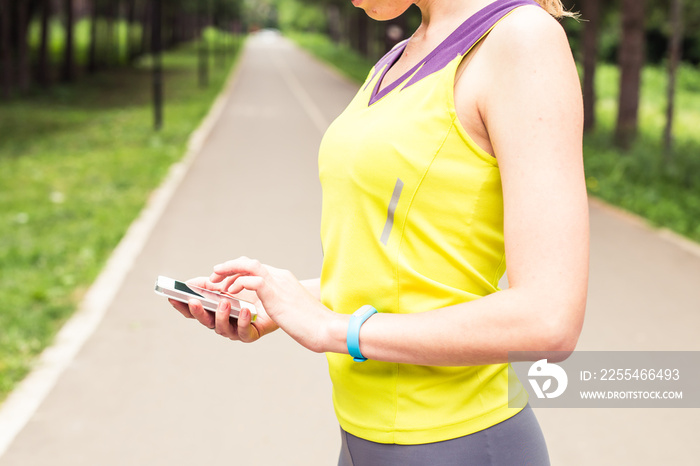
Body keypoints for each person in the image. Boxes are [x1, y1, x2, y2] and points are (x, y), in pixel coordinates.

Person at [169, 0, 588, 464]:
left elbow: (549, 320)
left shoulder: (522, 40)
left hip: (459, 441)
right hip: (360, 440)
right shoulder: (402, 54)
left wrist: (333, 329)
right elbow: (407, 273)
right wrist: (279, 301)